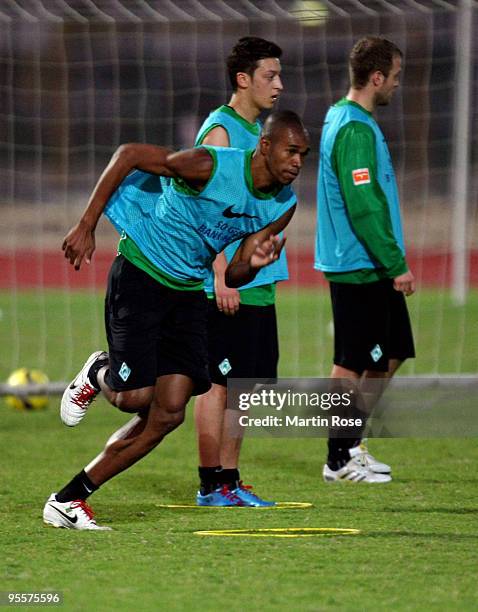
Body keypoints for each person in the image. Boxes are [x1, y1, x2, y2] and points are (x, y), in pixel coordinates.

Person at [43, 110, 310, 530]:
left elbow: (238, 270)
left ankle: (70, 499)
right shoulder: (211, 165)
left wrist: (254, 264)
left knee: (168, 413)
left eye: (304, 154)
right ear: (265, 146)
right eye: (291, 150)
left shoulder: (284, 204)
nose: (297, 161)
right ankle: (99, 371)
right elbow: (129, 154)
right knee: (133, 398)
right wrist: (86, 224)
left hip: (187, 294)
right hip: (142, 275)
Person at [314, 36, 415, 483]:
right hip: (359, 262)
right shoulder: (353, 127)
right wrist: (396, 263)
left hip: (367, 261)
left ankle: (351, 442)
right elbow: (364, 204)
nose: (396, 84)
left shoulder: (346, 117)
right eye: (394, 76)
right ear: (376, 78)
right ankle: (339, 458)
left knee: (392, 351)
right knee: (352, 360)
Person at [193, 37, 287, 507]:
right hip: (229, 283)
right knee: (217, 385)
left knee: (245, 390)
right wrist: (218, 276)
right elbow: (203, 213)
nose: (279, 85)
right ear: (243, 79)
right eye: (270, 76)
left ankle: (230, 479)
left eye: (279, 75)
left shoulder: (259, 135)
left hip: (259, 283)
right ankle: (211, 484)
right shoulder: (221, 133)